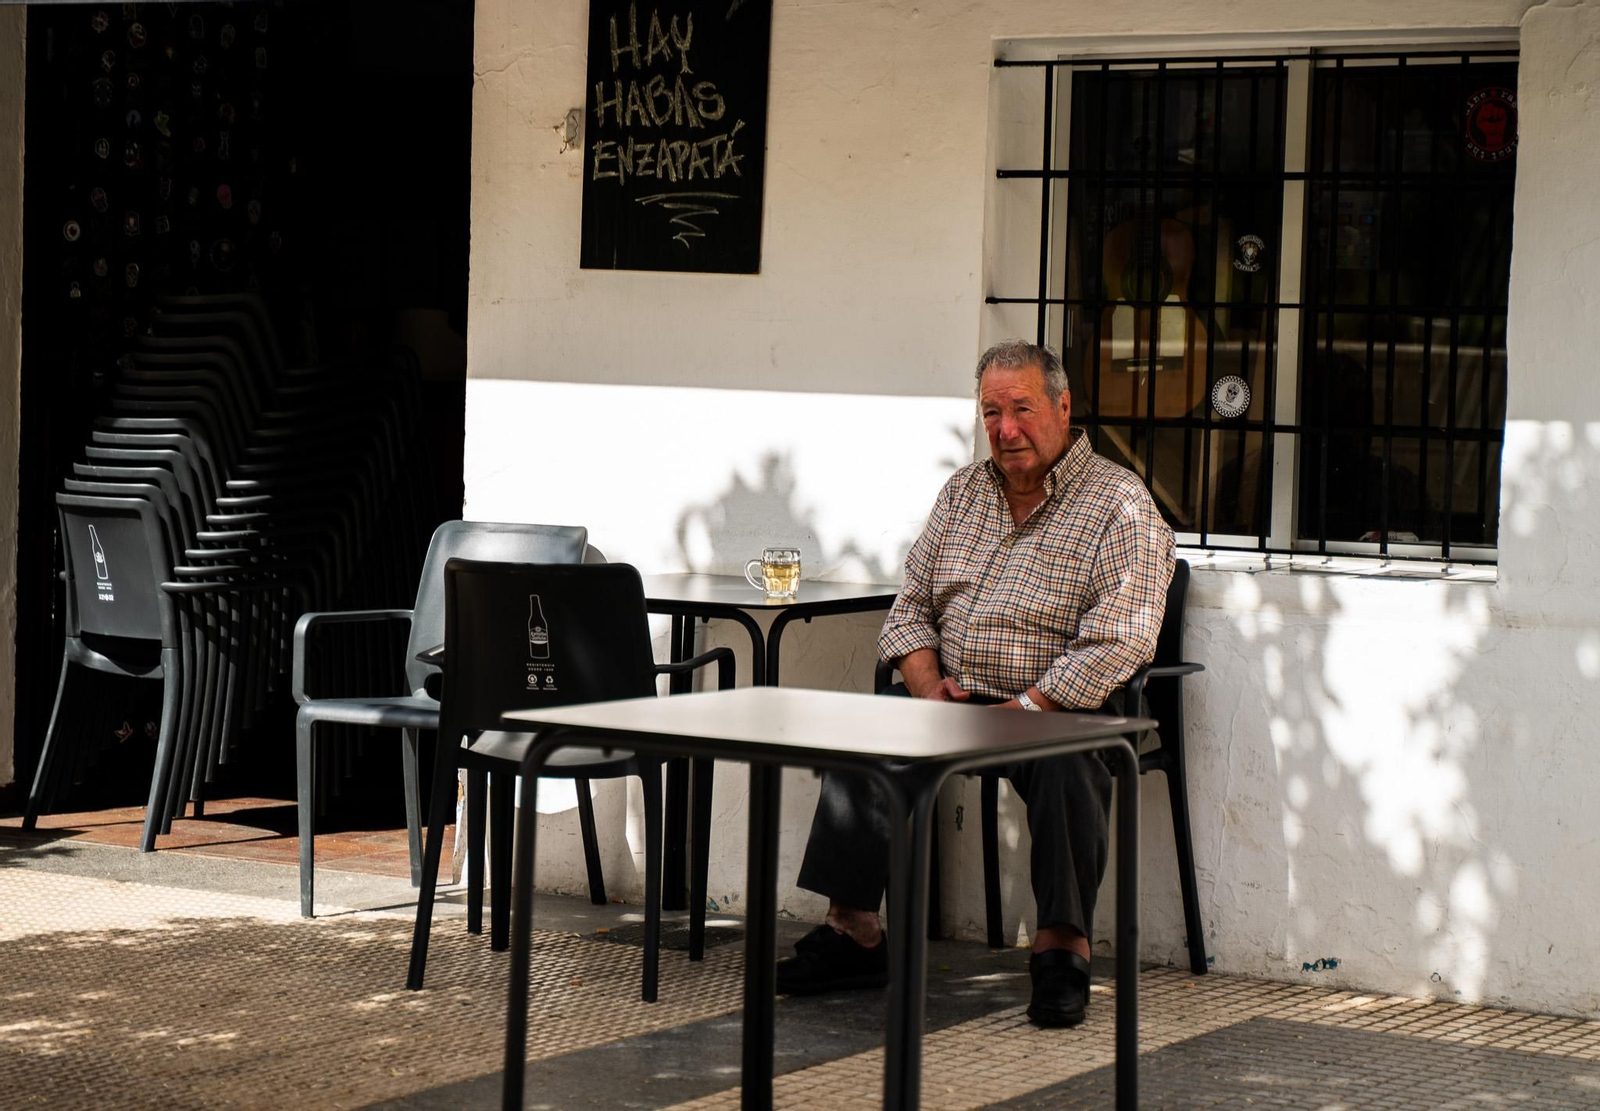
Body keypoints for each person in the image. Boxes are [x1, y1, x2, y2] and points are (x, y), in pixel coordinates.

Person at [776, 340, 1175, 1028]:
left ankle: (1062, 948)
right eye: (992, 411)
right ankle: (854, 932)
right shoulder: (963, 492)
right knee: (872, 727)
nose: (1006, 428)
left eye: (1022, 409)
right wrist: (929, 688)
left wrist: (1028, 706)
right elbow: (909, 608)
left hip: (1057, 703)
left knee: (1070, 760)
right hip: (957, 698)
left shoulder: (1119, 503)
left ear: (1063, 407)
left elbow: (1123, 638)